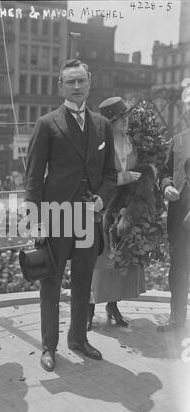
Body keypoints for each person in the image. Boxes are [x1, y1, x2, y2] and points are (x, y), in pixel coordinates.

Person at [25, 59, 117, 371]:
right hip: (56, 214)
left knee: (82, 280)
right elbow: (34, 177)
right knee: (50, 282)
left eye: (81, 81)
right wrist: (35, 221)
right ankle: (48, 346)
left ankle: (78, 338)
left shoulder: (102, 124)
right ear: (60, 86)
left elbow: (111, 174)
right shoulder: (48, 123)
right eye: (70, 82)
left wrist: (101, 202)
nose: (76, 87)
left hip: (89, 216)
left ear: (90, 82)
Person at [88, 97, 145, 330]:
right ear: (109, 123)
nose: (126, 121)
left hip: (125, 206)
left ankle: (113, 304)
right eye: (120, 118)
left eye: (126, 116)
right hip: (103, 207)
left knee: (120, 257)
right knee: (98, 260)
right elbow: (92, 177)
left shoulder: (131, 141)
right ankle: (88, 310)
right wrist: (121, 178)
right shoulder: (98, 145)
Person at [157, 128, 190, 332]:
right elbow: (165, 171)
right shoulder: (178, 140)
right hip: (180, 211)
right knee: (178, 267)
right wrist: (166, 185)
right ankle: (177, 318)